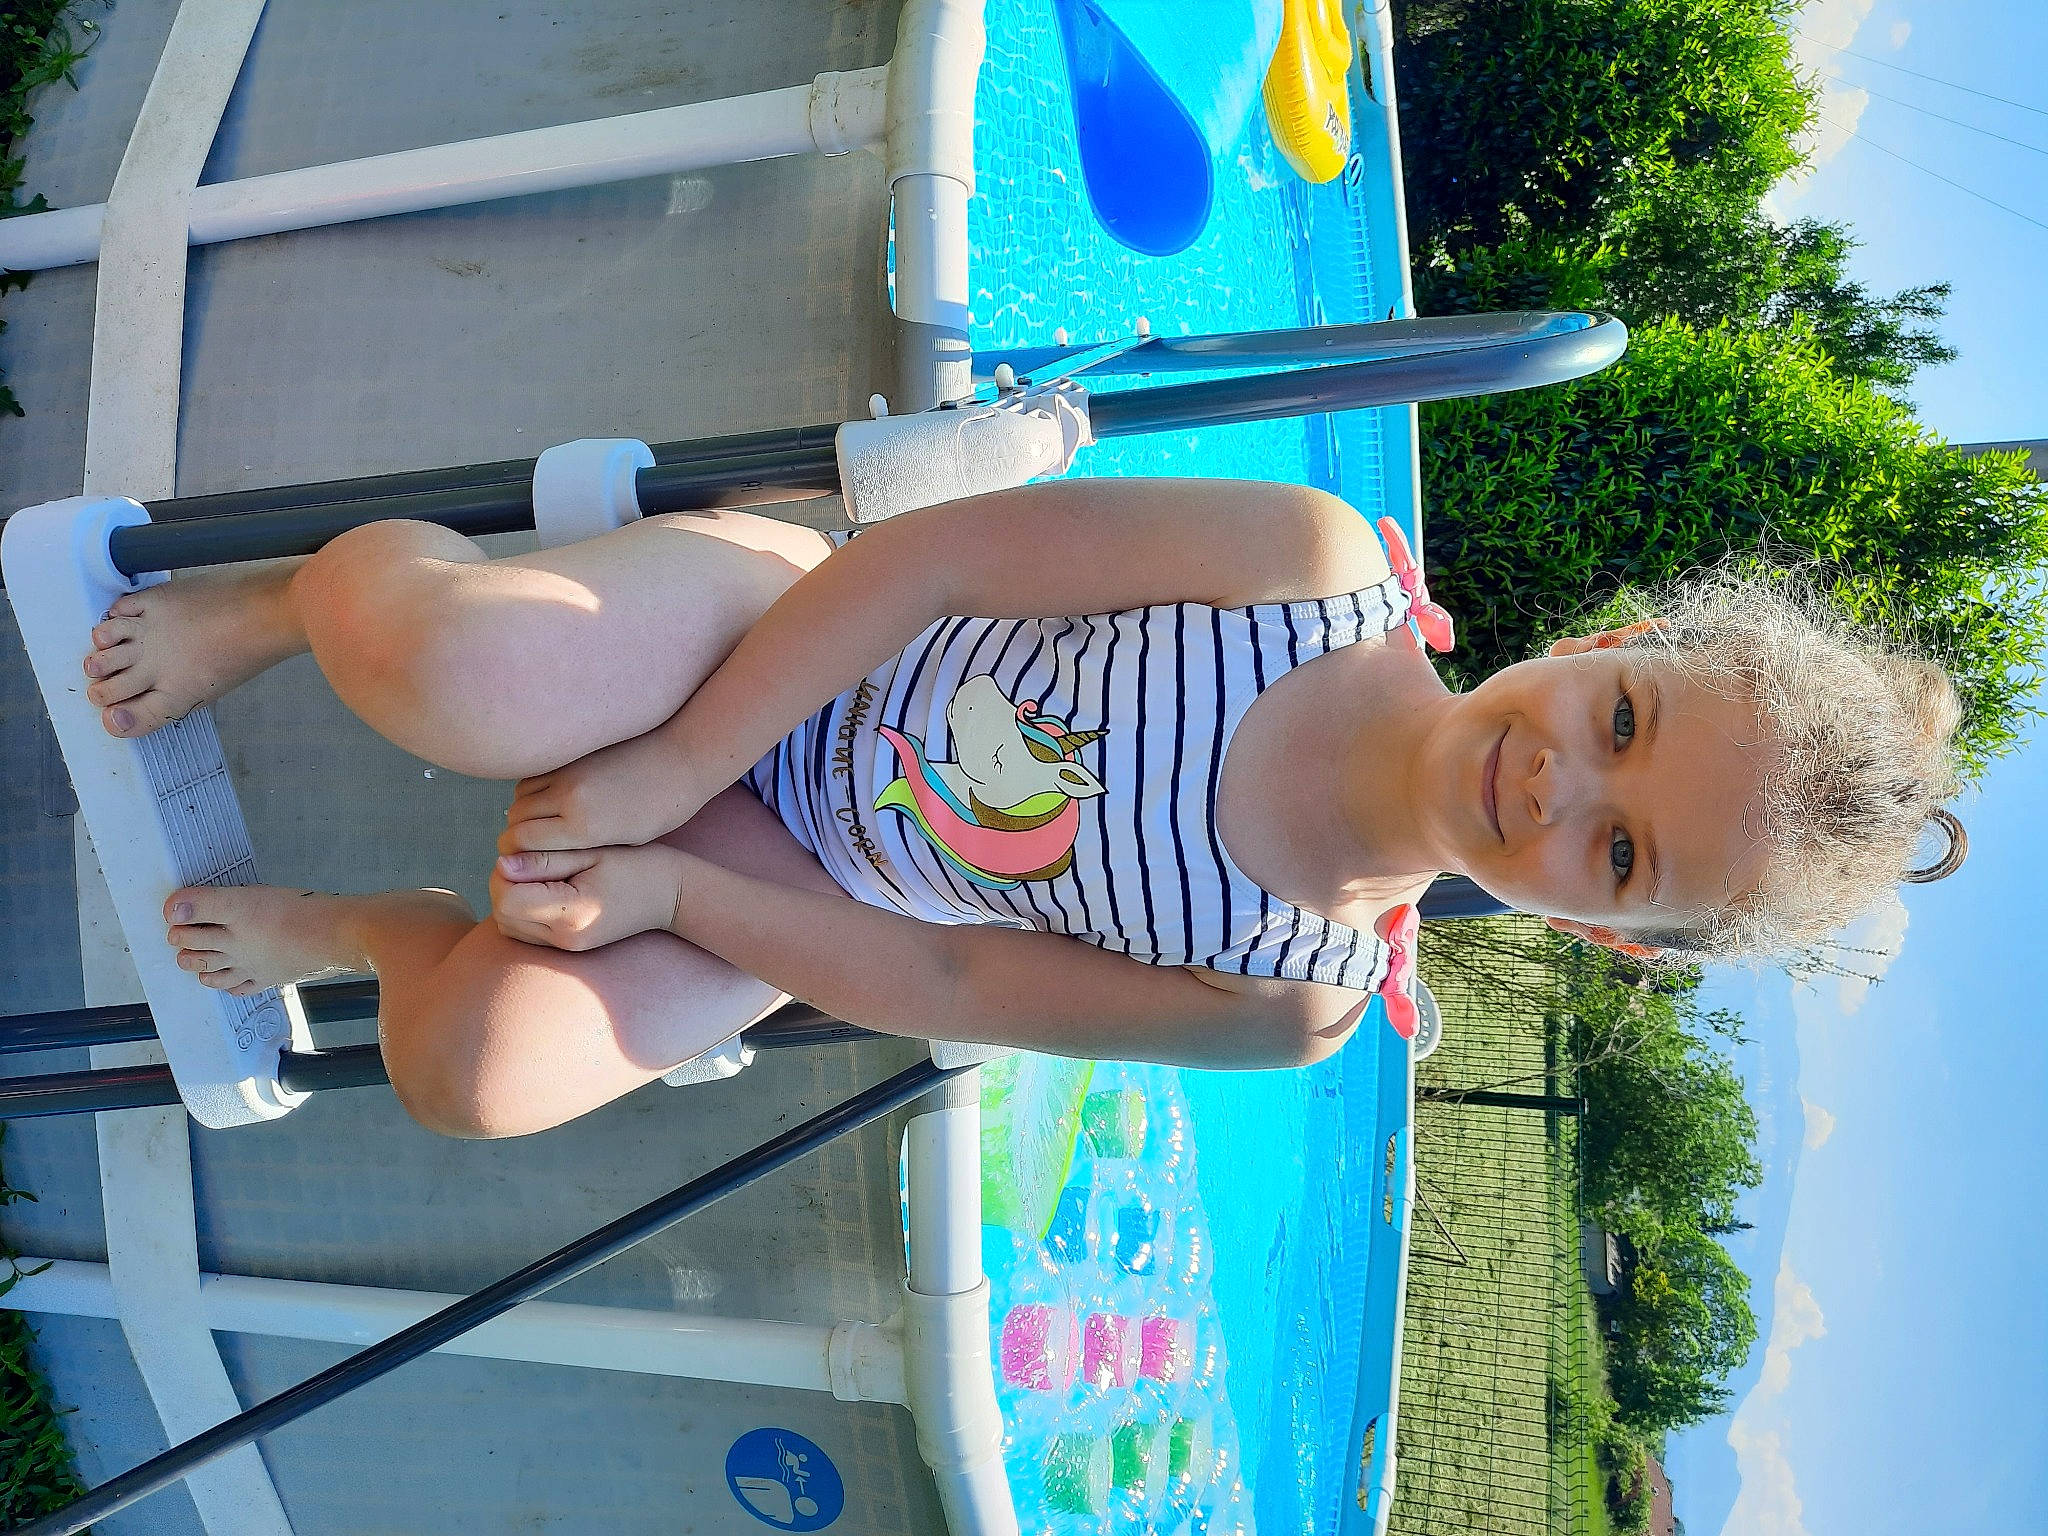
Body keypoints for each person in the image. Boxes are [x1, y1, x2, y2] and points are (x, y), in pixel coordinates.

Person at [77, 480, 1965, 1138]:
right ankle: (288, 599)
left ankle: (366, 933)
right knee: (459, 674)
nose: (1559, 779)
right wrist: (666, 769)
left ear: (1601, 935)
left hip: (792, 864)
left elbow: (953, 981)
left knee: (481, 1076)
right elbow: (932, 561)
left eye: (1618, 852)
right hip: (795, 635)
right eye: (1621, 720)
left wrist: (675, 888)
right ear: (1609, 644)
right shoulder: (1309, 574)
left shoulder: (1292, 994)